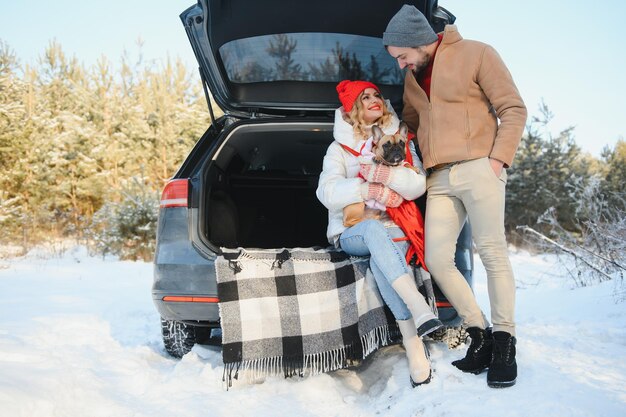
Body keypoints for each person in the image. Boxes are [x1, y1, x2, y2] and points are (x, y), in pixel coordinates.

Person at [382, 5, 528, 388]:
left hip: (481, 166)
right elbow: (409, 125)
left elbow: (513, 108)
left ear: (418, 42)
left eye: (402, 56)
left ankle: (505, 341)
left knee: (492, 252)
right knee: (437, 259)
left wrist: (498, 160)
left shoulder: (478, 53)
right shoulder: (413, 79)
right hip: (439, 177)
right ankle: (478, 333)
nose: (400, 65)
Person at [316, 79, 442, 387]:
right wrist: (365, 188)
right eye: (365, 97)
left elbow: (417, 186)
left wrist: (386, 174)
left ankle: (414, 348)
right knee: (373, 229)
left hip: (393, 229)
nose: (375, 100)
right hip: (352, 230)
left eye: (377, 95)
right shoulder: (338, 149)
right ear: (353, 107)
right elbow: (326, 192)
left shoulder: (400, 139)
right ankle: (418, 308)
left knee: (381, 261)